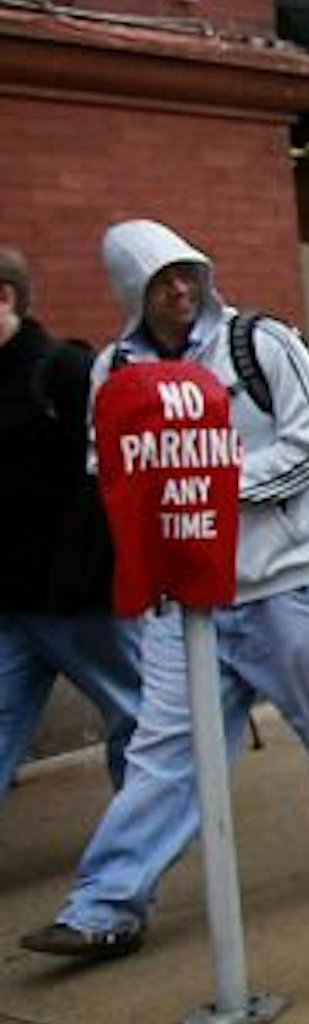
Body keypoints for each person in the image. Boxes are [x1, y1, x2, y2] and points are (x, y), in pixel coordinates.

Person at [21, 219, 309, 961]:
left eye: (188, 272)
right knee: (162, 753)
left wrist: (213, 485)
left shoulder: (262, 343)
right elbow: (104, 465)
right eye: (160, 280)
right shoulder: (114, 371)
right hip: (186, 602)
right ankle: (105, 903)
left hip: (285, 584)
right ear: (130, 291)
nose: (180, 289)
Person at [0, 247, 140, 803]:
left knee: (138, 717)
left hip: (79, 603)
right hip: (10, 607)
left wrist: (85, 576)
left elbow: (105, 483)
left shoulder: (66, 372)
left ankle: (143, 833)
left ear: (5, 297)